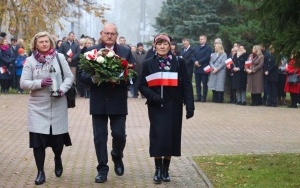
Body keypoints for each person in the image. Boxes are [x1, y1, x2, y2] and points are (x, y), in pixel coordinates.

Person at [79, 23, 134, 183]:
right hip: (99, 100)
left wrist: (121, 78)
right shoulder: (92, 51)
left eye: (112, 33)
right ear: (101, 34)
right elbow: (82, 75)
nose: (109, 36)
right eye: (106, 33)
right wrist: (96, 78)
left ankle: (117, 155)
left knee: (119, 135)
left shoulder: (125, 51)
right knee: (100, 137)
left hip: (118, 100)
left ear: (117, 35)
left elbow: (132, 75)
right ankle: (102, 169)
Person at [138, 34, 194, 184]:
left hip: (174, 105)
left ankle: (165, 169)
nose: (162, 47)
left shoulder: (178, 62)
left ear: (170, 46)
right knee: (157, 135)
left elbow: (186, 84)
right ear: (155, 45)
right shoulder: (149, 63)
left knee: (171, 136)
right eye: (159, 44)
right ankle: (157, 169)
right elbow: (141, 85)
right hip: (156, 106)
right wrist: (153, 96)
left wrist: (190, 105)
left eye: (165, 44)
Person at [20, 31, 74, 185]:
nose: (44, 44)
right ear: (35, 44)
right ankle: (40, 172)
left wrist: (62, 89)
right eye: (41, 42)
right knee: (38, 142)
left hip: (57, 104)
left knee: (57, 142)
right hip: (37, 106)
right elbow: (23, 83)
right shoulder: (30, 61)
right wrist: (39, 83)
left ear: (51, 42)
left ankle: (58, 158)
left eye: (46, 41)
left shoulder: (60, 58)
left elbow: (69, 77)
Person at [192, 35, 212, 102]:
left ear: (205, 40)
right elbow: (193, 56)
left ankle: (204, 97)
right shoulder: (196, 48)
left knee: (204, 83)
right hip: (197, 68)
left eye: (202, 39)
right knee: (197, 83)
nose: (200, 40)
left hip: (204, 68)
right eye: (200, 39)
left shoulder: (208, 48)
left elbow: (207, 57)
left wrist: (199, 62)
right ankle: (198, 96)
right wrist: (195, 61)